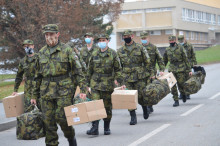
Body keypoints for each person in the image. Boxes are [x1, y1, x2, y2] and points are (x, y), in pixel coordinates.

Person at [31, 24, 87, 146]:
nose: (48, 37)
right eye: (46, 35)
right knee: (48, 121)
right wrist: (34, 95)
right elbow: (37, 76)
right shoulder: (41, 53)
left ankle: (71, 137)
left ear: (58, 34)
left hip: (64, 90)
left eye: (51, 34)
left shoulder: (67, 50)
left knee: (63, 118)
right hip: (46, 91)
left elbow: (77, 71)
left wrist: (83, 89)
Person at [86, 34, 125, 135]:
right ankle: (94, 128)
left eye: (104, 40)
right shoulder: (94, 54)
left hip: (107, 84)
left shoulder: (113, 54)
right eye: (100, 40)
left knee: (107, 107)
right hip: (95, 83)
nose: (102, 42)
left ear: (107, 41)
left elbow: (118, 69)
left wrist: (120, 81)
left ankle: (106, 127)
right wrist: (86, 84)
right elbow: (89, 70)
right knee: (95, 104)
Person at [117, 30, 153, 125]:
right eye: (124, 36)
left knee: (141, 95)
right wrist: (118, 78)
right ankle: (133, 116)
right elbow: (118, 66)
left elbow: (147, 61)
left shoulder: (140, 47)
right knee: (129, 97)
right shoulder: (120, 50)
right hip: (127, 77)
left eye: (128, 36)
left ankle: (145, 108)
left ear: (132, 36)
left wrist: (149, 74)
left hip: (139, 76)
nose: (126, 38)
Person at [140, 31, 165, 113]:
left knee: (150, 89)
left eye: (145, 38)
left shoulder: (153, 48)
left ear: (148, 38)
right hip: (141, 73)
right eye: (142, 38)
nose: (144, 40)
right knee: (143, 90)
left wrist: (161, 70)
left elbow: (160, 59)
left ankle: (149, 105)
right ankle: (146, 106)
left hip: (151, 73)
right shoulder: (138, 48)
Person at [163, 35, 192, 107]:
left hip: (180, 69)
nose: (171, 42)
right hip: (171, 69)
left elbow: (186, 59)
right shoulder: (167, 49)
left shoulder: (181, 48)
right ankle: (176, 100)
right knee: (172, 86)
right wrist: (162, 70)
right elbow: (164, 61)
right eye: (170, 41)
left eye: (172, 40)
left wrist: (189, 70)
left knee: (181, 84)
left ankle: (183, 94)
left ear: (175, 40)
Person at [12, 39, 39, 112]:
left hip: (40, 87)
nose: (27, 48)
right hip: (28, 89)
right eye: (25, 46)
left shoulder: (39, 58)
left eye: (29, 46)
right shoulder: (23, 61)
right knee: (28, 111)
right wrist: (15, 90)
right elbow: (19, 76)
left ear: (33, 46)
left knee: (42, 110)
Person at [178, 35, 197, 99]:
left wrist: (195, 63)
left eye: (182, 40)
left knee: (188, 79)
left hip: (188, 65)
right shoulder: (177, 46)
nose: (181, 41)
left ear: (184, 39)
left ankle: (188, 93)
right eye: (179, 40)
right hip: (180, 65)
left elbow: (193, 54)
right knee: (180, 80)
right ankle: (182, 93)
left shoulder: (189, 45)